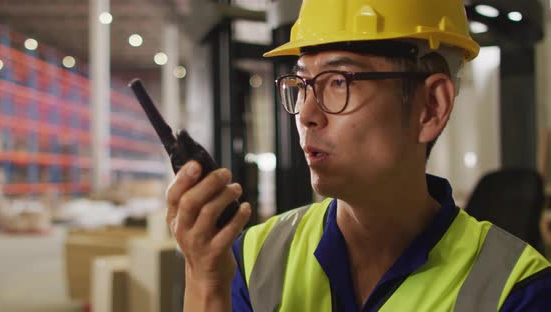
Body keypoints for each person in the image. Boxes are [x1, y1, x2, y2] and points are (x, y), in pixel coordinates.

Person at [166, 0, 551, 311]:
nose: (306, 114)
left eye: (338, 81)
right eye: (301, 84)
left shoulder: (516, 290)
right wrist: (205, 281)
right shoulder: (252, 259)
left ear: (431, 107)